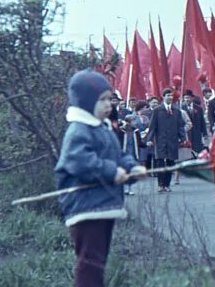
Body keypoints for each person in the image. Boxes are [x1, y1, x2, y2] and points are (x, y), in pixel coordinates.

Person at [54, 70, 146, 287]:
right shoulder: (78, 130)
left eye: (110, 99)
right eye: (102, 100)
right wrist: (112, 172)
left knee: (98, 260)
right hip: (86, 207)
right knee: (90, 261)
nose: (109, 105)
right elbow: (79, 161)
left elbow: (118, 155)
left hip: (103, 204)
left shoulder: (103, 128)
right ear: (86, 103)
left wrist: (132, 168)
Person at [145, 88, 186, 193]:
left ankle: (167, 185)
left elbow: (180, 125)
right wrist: (149, 139)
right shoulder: (157, 110)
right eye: (168, 95)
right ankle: (160, 185)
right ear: (163, 97)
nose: (170, 97)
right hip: (160, 140)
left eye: (171, 96)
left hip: (172, 140)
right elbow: (152, 126)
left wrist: (183, 138)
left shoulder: (176, 110)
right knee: (160, 162)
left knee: (170, 162)